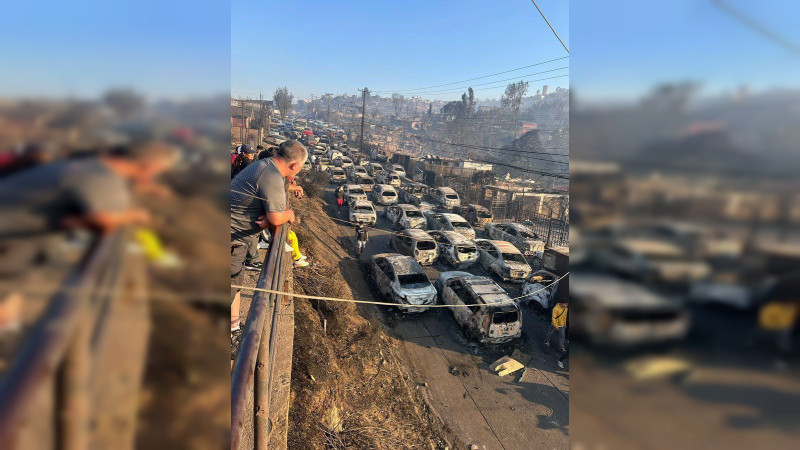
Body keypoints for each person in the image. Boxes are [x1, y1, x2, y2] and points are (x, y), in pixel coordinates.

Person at [0, 140, 178, 332]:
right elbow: (103, 221)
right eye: (159, 171)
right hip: (11, 235)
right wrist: (136, 215)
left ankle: (7, 335)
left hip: (19, 234)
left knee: (12, 287)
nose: (156, 176)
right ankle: (9, 340)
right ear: (148, 165)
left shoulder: (91, 166)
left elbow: (70, 220)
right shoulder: (99, 178)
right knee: (7, 286)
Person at [230, 140, 308, 335]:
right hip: (230, 240)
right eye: (301, 168)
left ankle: (233, 328)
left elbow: (268, 215)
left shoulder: (264, 165)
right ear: (295, 165)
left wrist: (270, 218)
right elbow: (275, 216)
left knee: (235, 286)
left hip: (236, 240)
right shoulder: (272, 175)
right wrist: (289, 214)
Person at [544, 276, 569, 369]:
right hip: (554, 324)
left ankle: (561, 347)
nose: (566, 305)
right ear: (562, 303)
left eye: (567, 304)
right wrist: (556, 325)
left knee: (562, 336)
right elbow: (553, 318)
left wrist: (565, 324)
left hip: (562, 324)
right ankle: (546, 341)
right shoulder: (556, 308)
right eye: (565, 303)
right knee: (550, 333)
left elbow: (565, 316)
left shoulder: (565, 308)